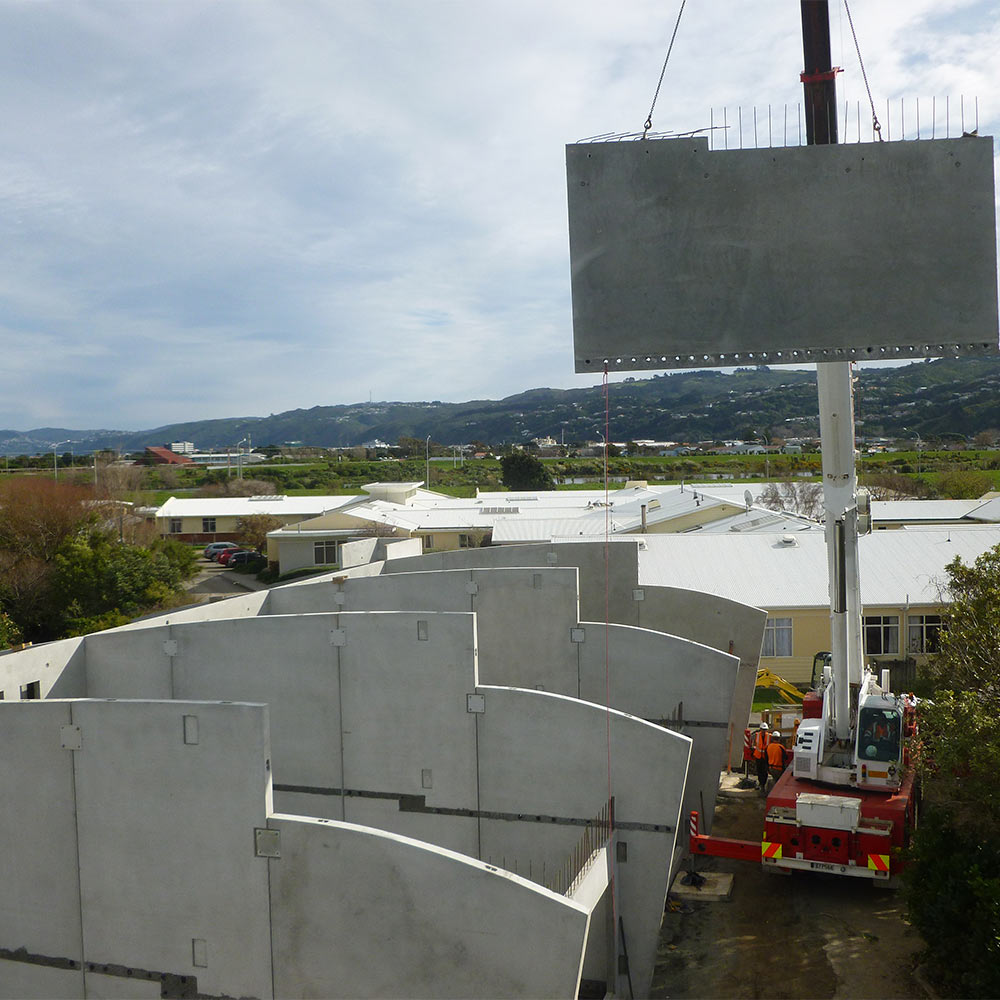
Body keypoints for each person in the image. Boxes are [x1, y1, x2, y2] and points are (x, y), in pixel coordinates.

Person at [752, 722, 771, 791]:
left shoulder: (769, 736)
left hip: (765, 757)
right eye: (763, 729)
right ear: (760, 729)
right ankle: (761, 783)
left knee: (765, 771)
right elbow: (753, 743)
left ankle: (763, 783)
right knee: (759, 770)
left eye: (765, 729)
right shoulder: (756, 735)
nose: (764, 731)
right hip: (758, 756)